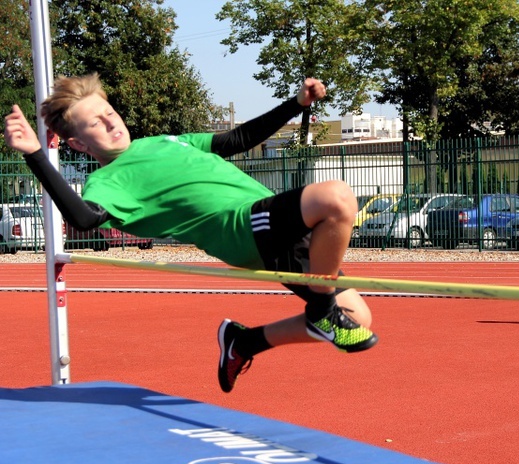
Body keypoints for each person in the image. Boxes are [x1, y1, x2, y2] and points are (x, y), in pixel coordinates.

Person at [4, 73, 377, 393]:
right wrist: (36, 154)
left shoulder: (163, 142)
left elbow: (235, 141)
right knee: (337, 198)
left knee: (357, 318)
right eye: (95, 124)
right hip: (243, 228)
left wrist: (296, 103)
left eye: (109, 112)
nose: (110, 122)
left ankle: (244, 342)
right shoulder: (108, 182)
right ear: (78, 144)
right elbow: (84, 219)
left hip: (280, 225)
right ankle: (323, 310)